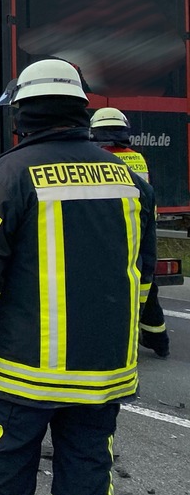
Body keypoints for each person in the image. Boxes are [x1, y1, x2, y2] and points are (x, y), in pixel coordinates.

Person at [0, 59, 156, 495]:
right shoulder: (130, 181)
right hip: (103, 373)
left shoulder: (9, 174)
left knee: (5, 481)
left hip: (26, 371)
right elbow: (144, 276)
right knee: (87, 484)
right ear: (80, 112)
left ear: (24, 115)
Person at [91, 106, 169, 358]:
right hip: (141, 227)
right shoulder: (137, 157)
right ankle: (159, 340)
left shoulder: (97, 160)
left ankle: (123, 337)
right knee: (145, 283)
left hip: (112, 230)